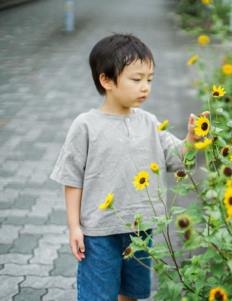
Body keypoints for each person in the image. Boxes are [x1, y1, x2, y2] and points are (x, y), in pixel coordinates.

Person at [50, 33, 207, 301]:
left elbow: (174, 158)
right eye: (136, 79)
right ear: (106, 80)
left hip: (140, 227)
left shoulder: (149, 122)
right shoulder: (86, 125)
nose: (145, 87)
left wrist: (191, 141)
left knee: (132, 292)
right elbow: (71, 178)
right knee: (98, 295)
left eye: (149, 79)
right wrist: (74, 226)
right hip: (99, 232)